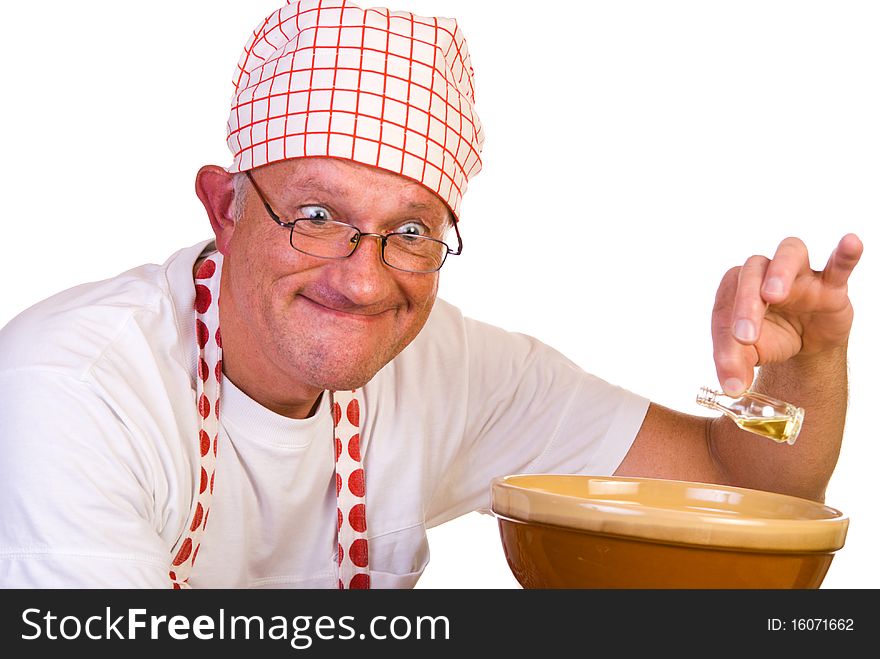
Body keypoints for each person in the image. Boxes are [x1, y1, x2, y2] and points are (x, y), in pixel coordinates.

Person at [0, 0, 863, 589]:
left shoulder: (450, 368)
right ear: (226, 209)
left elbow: (741, 489)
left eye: (410, 231)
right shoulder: (76, 390)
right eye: (316, 214)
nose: (363, 278)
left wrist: (808, 365)